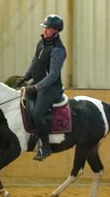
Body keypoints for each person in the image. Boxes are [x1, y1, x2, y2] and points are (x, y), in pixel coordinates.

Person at [16, 14, 67, 161]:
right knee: (21, 102)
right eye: (45, 27)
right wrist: (25, 77)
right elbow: (35, 63)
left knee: (37, 114)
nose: (45, 30)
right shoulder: (41, 43)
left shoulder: (58, 50)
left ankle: (46, 148)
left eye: (48, 28)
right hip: (38, 84)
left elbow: (52, 75)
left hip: (50, 88)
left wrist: (36, 87)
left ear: (56, 31)